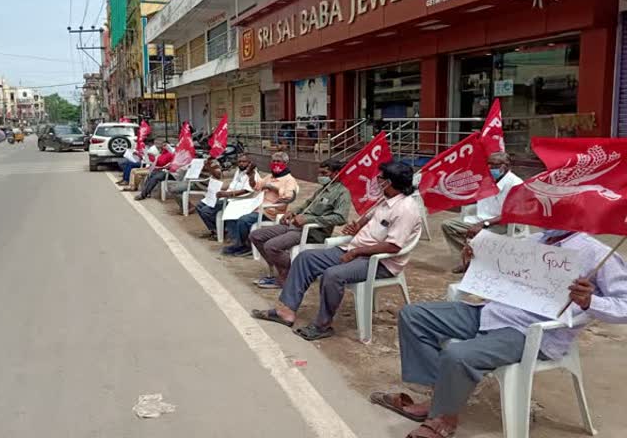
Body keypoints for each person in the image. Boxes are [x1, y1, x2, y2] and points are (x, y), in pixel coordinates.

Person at [370, 229, 627, 438]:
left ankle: (443, 418)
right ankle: (440, 396)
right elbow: (498, 275)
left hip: (529, 331)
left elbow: (624, 305)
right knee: (414, 316)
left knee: (458, 354)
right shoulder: (534, 241)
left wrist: (589, 302)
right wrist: (472, 261)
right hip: (491, 312)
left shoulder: (597, 254)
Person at [251, 161, 420, 341]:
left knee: (332, 275)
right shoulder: (385, 200)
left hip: (379, 262)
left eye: (381, 178)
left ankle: (323, 325)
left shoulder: (406, 209)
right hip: (354, 249)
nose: (377, 180)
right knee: (304, 258)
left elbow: (393, 246)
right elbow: (368, 217)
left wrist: (356, 252)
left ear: (390, 182)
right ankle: (285, 311)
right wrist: (356, 227)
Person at [250, 159, 351, 289]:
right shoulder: (322, 189)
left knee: (271, 246)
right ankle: (283, 269)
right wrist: (292, 211)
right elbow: (306, 204)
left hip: (311, 231)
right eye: (320, 173)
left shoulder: (342, 193)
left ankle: (288, 275)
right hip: (294, 225)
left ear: (336, 173)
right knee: (256, 235)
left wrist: (309, 220)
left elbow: (340, 218)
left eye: (324, 173)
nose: (320, 176)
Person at [441, 151, 523, 273]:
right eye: (488, 164)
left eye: (494, 165)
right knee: (448, 225)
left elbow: (511, 214)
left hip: (504, 224)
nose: (490, 168)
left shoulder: (516, 184)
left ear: (505, 166)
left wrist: (484, 224)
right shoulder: (487, 180)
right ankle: (469, 259)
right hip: (482, 218)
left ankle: (482, 263)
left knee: (479, 235)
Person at [222, 151, 298, 257]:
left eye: (278, 161)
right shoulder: (270, 176)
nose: (275, 163)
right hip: (258, 208)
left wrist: (274, 188)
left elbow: (288, 197)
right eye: (274, 161)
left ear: (285, 163)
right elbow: (256, 187)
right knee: (233, 214)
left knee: (244, 220)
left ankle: (246, 246)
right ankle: (239, 243)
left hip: (271, 212)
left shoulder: (289, 180)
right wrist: (251, 175)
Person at [196, 154, 259, 240]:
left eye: (244, 162)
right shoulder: (238, 171)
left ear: (250, 163)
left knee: (206, 211)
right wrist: (218, 188)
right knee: (200, 205)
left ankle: (219, 231)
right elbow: (232, 184)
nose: (241, 164)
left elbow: (246, 190)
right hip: (227, 197)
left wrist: (227, 194)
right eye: (239, 161)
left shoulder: (253, 174)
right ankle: (215, 230)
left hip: (237, 200)